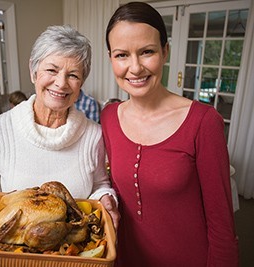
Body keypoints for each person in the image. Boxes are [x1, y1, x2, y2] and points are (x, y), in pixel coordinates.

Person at [0, 25, 120, 236]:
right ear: (33, 71)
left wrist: (106, 198)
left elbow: (99, 185)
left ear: (81, 83)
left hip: (73, 251)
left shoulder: (93, 134)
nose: (61, 84)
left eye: (73, 75)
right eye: (52, 70)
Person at [100, 2, 238, 266]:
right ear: (111, 58)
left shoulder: (203, 122)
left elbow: (222, 226)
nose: (136, 67)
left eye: (147, 51)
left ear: (165, 51)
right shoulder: (108, 117)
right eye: (122, 55)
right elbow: (115, 189)